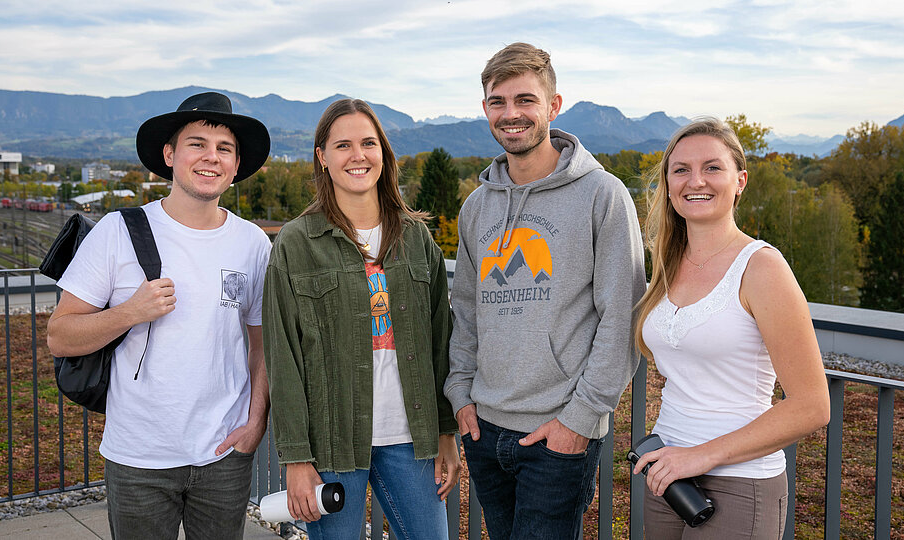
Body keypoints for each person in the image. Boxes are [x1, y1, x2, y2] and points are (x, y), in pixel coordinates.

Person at [46, 92, 272, 539]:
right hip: (138, 457)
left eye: (224, 148)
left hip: (224, 456)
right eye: (197, 144)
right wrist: (129, 312)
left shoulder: (253, 244)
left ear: (235, 165)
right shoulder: (117, 231)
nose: (211, 157)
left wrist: (255, 423)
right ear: (169, 155)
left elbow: (262, 348)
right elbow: (60, 336)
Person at [443, 42, 646, 539]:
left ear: (553, 106)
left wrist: (579, 420)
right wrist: (460, 393)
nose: (511, 114)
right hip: (484, 427)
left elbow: (623, 317)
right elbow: (467, 310)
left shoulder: (603, 195)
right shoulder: (477, 207)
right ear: (486, 108)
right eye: (498, 102)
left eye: (525, 100)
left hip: (558, 433)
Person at [263, 98, 460, 540]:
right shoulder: (295, 243)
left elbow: (440, 343)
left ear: (383, 154)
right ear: (323, 156)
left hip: (411, 437)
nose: (358, 156)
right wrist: (296, 459)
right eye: (343, 145)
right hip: (332, 441)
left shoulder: (415, 236)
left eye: (369, 143)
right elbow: (283, 359)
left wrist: (445, 431)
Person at [631, 117, 830, 539]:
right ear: (668, 185)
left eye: (712, 167)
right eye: (680, 169)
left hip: (741, 484)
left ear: (740, 180)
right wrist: (679, 459)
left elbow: (812, 405)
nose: (695, 180)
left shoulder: (762, 268)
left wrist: (701, 456)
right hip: (669, 478)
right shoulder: (667, 265)